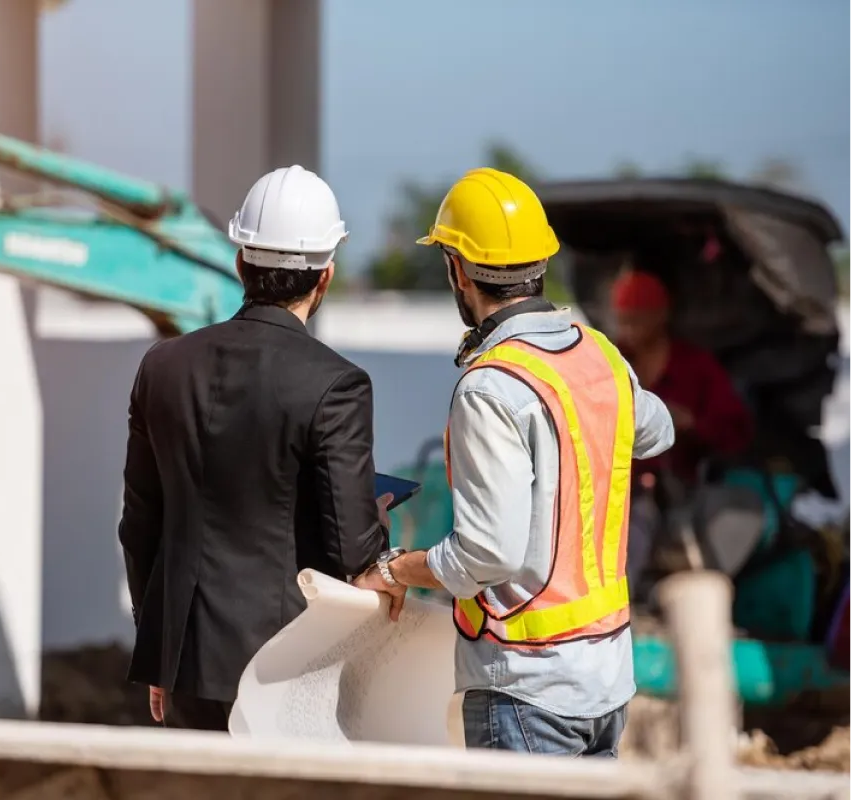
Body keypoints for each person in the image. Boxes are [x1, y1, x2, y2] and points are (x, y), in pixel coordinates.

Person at [353, 168, 675, 757]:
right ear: (541, 264)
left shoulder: (492, 386)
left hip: (530, 691)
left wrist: (396, 568)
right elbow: (658, 429)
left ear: (457, 270)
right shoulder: (600, 353)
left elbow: (487, 554)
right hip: (606, 682)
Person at [118, 165, 390, 732]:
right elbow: (351, 550)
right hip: (285, 666)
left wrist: (160, 651)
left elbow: (139, 523)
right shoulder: (337, 384)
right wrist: (377, 518)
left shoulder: (162, 368)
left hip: (185, 660)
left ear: (240, 262)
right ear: (326, 276)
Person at [609, 269, 754, 488]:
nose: (628, 331)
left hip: (689, 487)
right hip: (624, 489)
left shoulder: (696, 365)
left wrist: (692, 424)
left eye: (636, 321)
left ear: (661, 314)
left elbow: (736, 431)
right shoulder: (611, 364)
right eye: (623, 322)